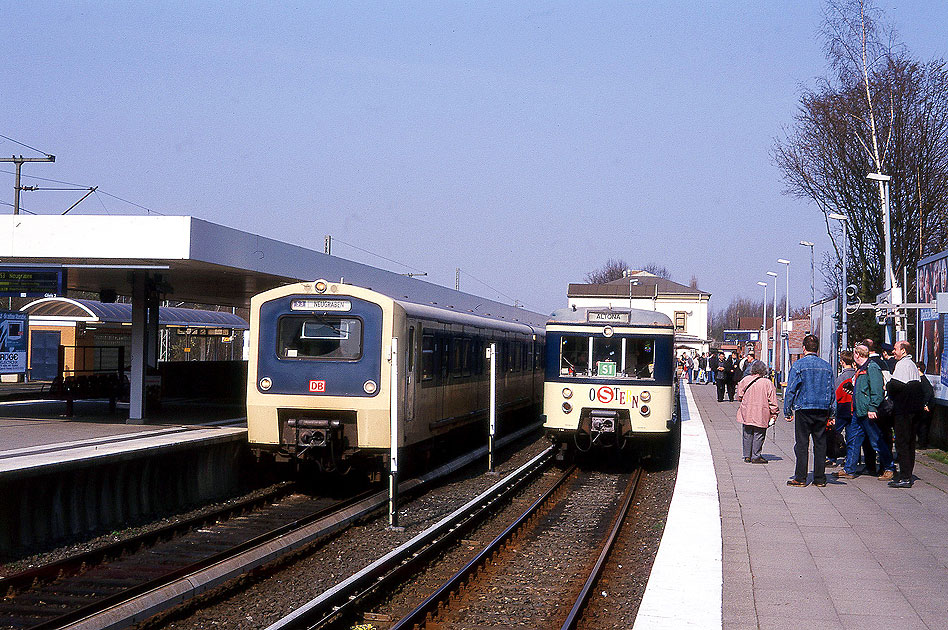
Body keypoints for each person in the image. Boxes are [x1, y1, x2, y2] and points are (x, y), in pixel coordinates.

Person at [784, 334, 835, 487]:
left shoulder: (799, 366)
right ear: (817, 349)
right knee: (820, 443)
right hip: (822, 409)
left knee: (802, 444)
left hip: (804, 409)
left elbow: (791, 389)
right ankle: (819, 478)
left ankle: (800, 477)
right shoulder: (827, 367)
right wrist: (832, 413)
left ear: (804, 348)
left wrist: (788, 410)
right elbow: (832, 391)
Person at [851, 343, 897, 480]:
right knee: (853, 440)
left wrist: (872, 407)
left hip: (867, 412)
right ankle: (849, 469)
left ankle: (889, 467)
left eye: (854, 353)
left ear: (857, 354)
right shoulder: (861, 369)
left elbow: (877, 390)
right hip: (859, 411)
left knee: (877, 440)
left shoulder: (872, 367)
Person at [886, 340, 925, 488]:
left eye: (895, 349)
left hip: (903, 411)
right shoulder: (913, 365)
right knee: (909, 443)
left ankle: (905, 476)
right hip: (914, 410)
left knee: (902, 442)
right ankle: (907, 474)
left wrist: (888, 384)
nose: (893, 352)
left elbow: (895, 386)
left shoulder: (902, 365)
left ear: (903, 351)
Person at [736, 361, 779, 463]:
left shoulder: (745, 380)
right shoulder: (767, 383)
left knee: (747, 433)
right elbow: (772, 400)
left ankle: (747, 455)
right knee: (759, 434)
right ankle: (756, 455)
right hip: (761, 411)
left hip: (747, 411)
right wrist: (774, 412)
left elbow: (739, 396)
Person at [833, 351, 861, 479]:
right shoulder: (856, 375)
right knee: (852, 438)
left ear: (842, 362)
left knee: (833, 433)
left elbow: (835, 395)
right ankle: (851, 463)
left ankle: (832, 456)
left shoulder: (840, 378)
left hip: (842, 409)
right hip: (853, 409)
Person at [916, 360, 934, 449]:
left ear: (918, 368)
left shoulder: (923, 380)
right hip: (922, 406)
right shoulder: (920, 380)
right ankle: (921, 442)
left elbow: (929, 392)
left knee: (923, 425)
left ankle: (923, 444)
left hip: (925, 407)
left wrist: (925, 404)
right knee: (920, 425)